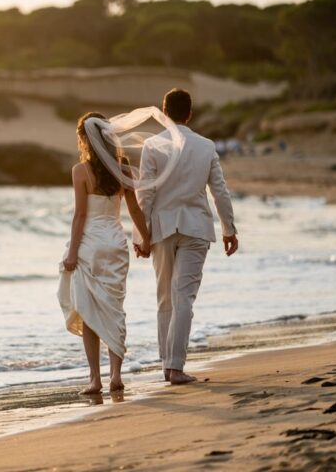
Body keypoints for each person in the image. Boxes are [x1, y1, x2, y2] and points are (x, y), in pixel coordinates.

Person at [134, 89, 238, 385]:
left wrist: (142, 236)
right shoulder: (205, 146)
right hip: (195, 229)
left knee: (165, 297)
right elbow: (219, 191)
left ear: (163, 113)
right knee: (184, 298)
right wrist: (228, 229)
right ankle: (175, 367)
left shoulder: (152, 145)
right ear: (190, 114)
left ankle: (169, 365)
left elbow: (145, 194)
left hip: (162, 229)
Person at [58, 112, 151, 395]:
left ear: (85, 139)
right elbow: (134, 209)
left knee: (88, 312)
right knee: (114, 307)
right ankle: (116, 376)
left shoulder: (80, 171)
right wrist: (146, 239)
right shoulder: (121, 166)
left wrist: (72, 253)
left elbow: (80, 215)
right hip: (115, 241)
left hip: (90, 244)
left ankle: (95, 379)